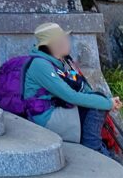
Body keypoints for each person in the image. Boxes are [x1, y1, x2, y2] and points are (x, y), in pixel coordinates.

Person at [23, 23, 119, 156]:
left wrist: (105, 100)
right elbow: (70, 96)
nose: (68, 42)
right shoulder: (40, 65)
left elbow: (80, 87)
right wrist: (107, 103)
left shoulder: (60, 61)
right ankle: (93, 149)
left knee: (97, 100)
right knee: (97, 106)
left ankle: (96, 145)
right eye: (63, 39)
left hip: (58, 107)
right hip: (45, 117)